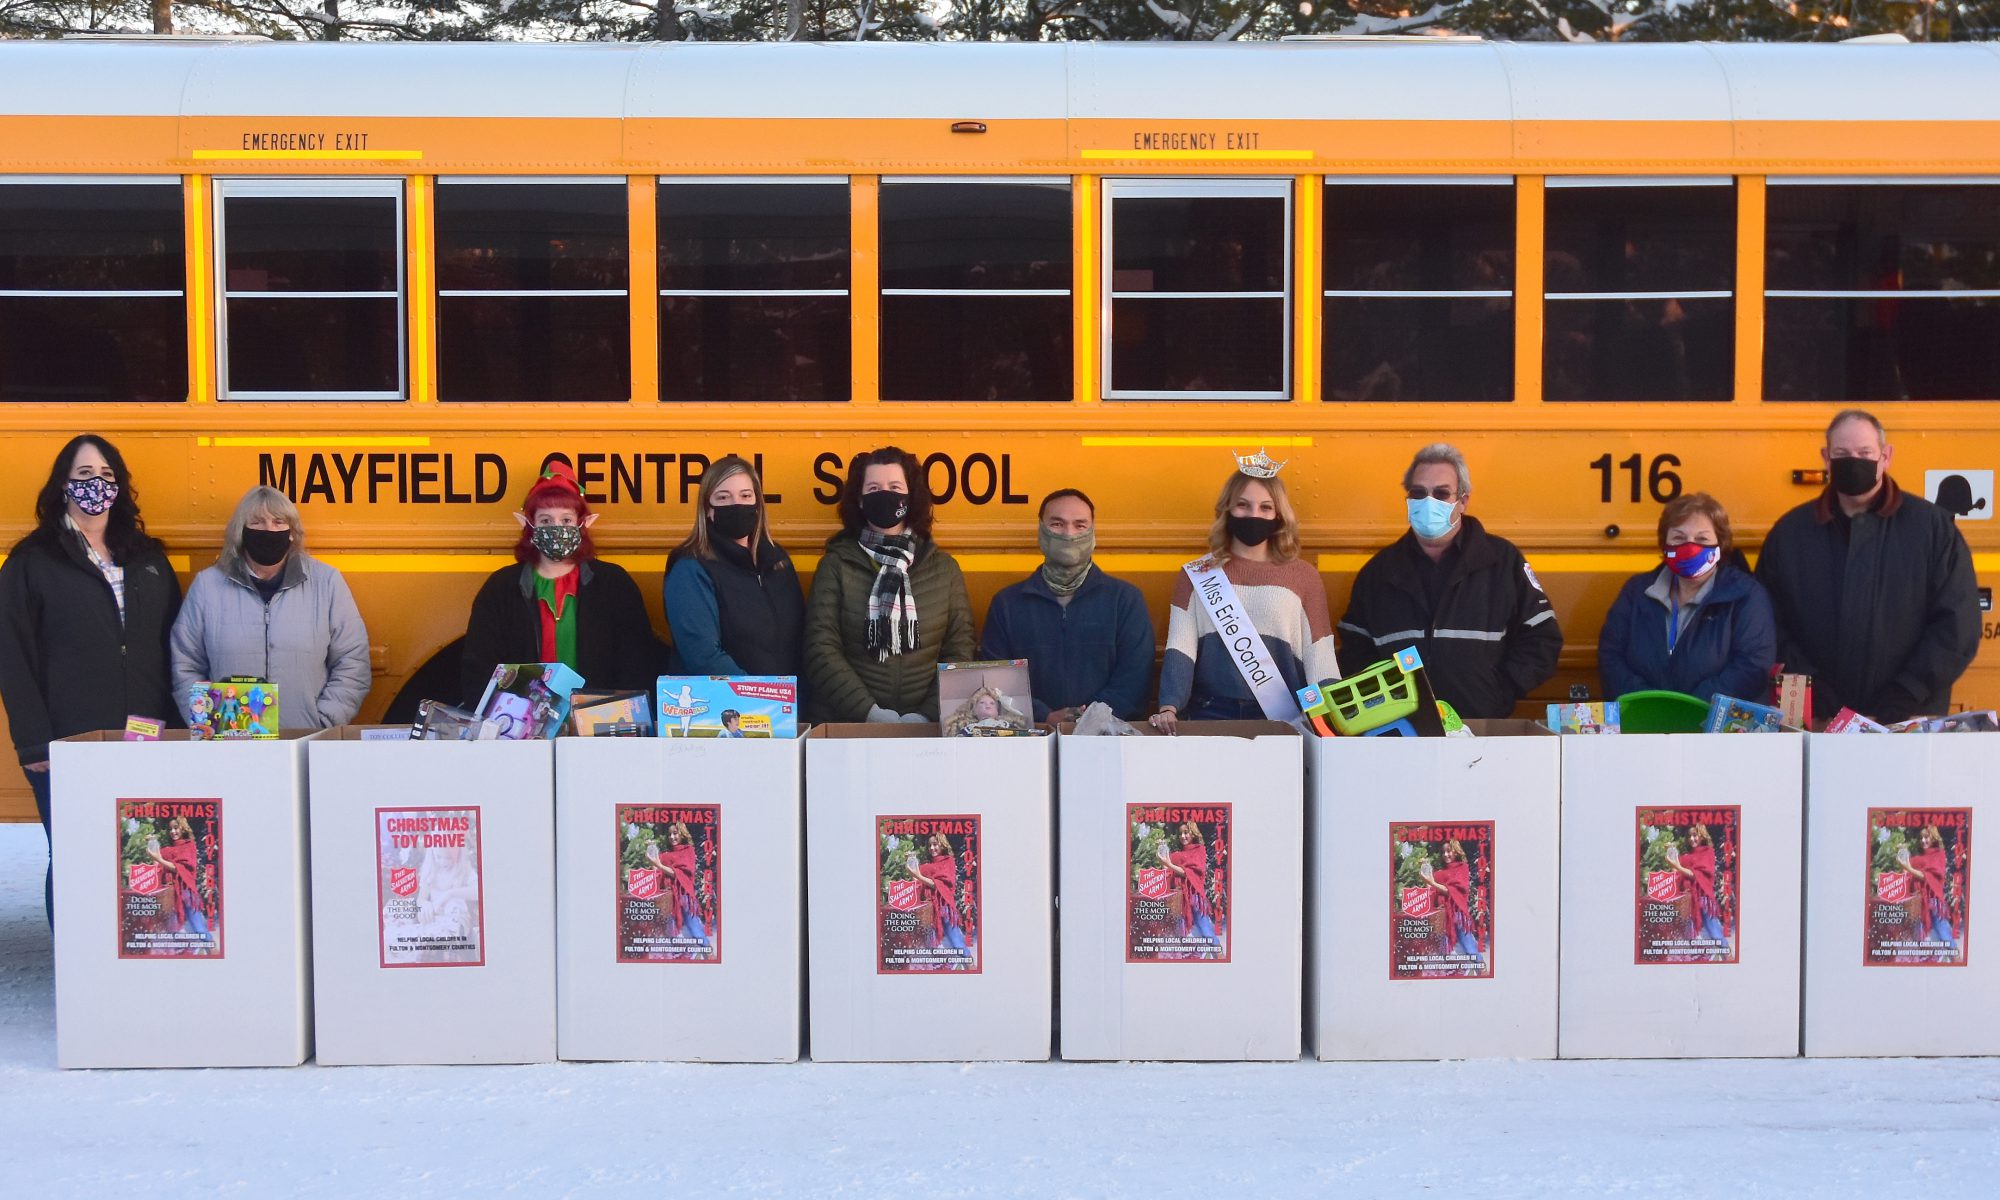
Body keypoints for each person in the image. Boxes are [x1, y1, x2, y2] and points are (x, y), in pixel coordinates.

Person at [0, 435, 182, 924]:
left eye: (105, 475)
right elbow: (12, 656)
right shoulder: (31, 562)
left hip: (146, 736)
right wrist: (34, 743)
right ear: (63, 486)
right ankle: (77, 967)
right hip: (67, 741)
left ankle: (133, 959)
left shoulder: (147, 559)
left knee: (145, 854)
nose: (95, 486)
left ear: (119, 486)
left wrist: (181, 726)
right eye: (83, 476)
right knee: (77, 857)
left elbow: (174, 644)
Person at [1756, 410, 1979, 724]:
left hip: (1909, 720)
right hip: (1818, 719)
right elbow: (1766, 623)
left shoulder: (1932, 529)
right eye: (1842, 454)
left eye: (1864, 453)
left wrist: (1908, 690)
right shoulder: (1790, 533)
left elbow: (1958, 624)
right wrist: (1810, 684)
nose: (1854, 460)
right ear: (1826, 458)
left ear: (1886, 456)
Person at [1338, 443, 1562, 720]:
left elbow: (1541, 636)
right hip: (1403, 732)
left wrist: (1501, 689)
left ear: (1463, 501)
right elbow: (1354, 650)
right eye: (1418, 493)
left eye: (1441, 493)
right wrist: (1382, 704)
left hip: (1481, 726)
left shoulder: (1502, 562)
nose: (1428, 501)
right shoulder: (1379, 572)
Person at [1152, 457, 1337, 732]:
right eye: (1243, 505)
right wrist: (1169, 706)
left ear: (1278, 515)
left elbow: (1319, 655)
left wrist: (1331, 717)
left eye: (1265, 507)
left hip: (1282, 718)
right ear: (1227, 510)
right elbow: (1181, 647)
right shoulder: (1196, 575)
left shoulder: (1303, 576)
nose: (1254, 515)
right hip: (1209, 713)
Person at [170, 485, 371, 731]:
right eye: (257, 522)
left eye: (278, 522)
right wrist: (208, 722)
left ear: (291, 532)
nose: (269, 530)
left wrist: (323, 721)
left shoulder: (326, 582)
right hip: (230, 740)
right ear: (241, 531)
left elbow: (352, 660)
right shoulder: (207, 586)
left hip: (305, 739)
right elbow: (185, 664)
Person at [461, 463, 660, 706]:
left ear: (582, 524)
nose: (557, 528)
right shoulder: (501, 588)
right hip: (524, 725)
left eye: (566, 519)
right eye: (545, 520)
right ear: (529, 526)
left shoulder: (614, 584)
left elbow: (636, 662)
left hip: (596, 722)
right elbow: (479, 667)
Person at [804, 446, 975, 723]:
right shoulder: (836, 565)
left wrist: (927, 715)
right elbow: (821, 648)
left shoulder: (944, 569)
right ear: (860, 500)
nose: (885, 495)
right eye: (873, 488)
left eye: (895, 486)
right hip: (849, 727)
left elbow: (961, 649)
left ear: (911, 496)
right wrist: (870, 713)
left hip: (926, 729)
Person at [977, 488, 1155, 723]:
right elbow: (996, 677)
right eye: (1057, 524)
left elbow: (1135, 677)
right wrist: (1044, 715)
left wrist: (1089, 718)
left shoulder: (1125, 600)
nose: (1069, 534)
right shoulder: (1007, 604)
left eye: (1080, 525)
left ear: (1092, 532)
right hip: (1030, 739)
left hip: (1108, 739)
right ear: (1041, 529)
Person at [1597, 493, 1777, 705]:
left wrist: (1689, 708)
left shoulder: (1746, 595)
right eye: (1679, 538)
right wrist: (1647, 703)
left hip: (1716, 729)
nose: (1690, 547)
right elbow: (1610, 655)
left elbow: (1752, 666)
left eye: (1702, 539)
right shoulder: (1636, 592)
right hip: (1644, 722)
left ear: (1720, 544)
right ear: (1664, 543)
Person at [663, 455, 805, 680]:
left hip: (786, 710)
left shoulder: (778, 561)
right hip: (728, 711)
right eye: (723, 497)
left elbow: (799, 642)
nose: (736, 504)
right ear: (707, 509)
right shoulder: (691, 568)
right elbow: (703, 657)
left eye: (745, 496)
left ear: (757, 504)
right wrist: (762, 698)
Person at [1421, 839, 1482, 969]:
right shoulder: (1439, 873)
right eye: (1443, 852)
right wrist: (1426, 875)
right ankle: (1460, 972)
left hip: (1458, 914)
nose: (1446, 855)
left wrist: (1432, 883)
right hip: (1444, 916)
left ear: (1456, 851)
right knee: (1449, 950)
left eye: (1449, 851)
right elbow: (1432, 890)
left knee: (1468, 944)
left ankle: (1481, 968)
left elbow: (1453, 891)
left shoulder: (1462, 868)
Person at [1162, 822, 1221, 957]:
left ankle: (1219, 956)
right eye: (1180, 834)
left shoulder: (1199, 850)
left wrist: (1169, 865)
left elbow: (1188, 872)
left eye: (1186, 832)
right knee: (1185, 934)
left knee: (1205, 930)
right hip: (1180, 899)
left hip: (1195, 897)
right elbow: (1168, 871)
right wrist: (1166, 867)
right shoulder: (1176, 855)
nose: (1183, 836)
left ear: (1193, 833)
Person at [1667, 823, 1729, 947]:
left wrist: (1677, 867)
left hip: (1702, 899)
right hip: (1689, 901)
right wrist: (1672, 859)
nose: (1691, 839)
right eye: (1689, 836)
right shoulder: (1686, 857)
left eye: (1695, 835)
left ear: (1701, 836)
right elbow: (1677, 874)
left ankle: (1727, 954)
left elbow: (1696, 875)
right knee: (1693, 936)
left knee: (1714, 930)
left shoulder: (1708, 852)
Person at [909, 832, 969, 957]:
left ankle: (970, 964)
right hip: (928, 908)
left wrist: (918, 876)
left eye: (935, 844)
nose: (932, 848)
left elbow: (939, 885)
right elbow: (917, 883)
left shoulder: (948, 862)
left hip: (944, 907)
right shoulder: (925, 866)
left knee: (955, 939)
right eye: (929, 845)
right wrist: (913, 871)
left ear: (942, 844)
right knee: (934, 945)